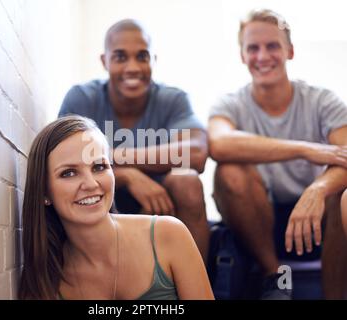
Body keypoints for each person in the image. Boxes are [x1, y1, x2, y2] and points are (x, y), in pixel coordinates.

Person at [208, 9, 347, 299]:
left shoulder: (322, 100)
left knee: (339, 192)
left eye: (272, 46)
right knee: (229, 171)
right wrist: (306, 149)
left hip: (320, 217)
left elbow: (344, 154)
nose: (262, 56)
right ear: (242, 56)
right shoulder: (230, 104)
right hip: (258, 220)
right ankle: (275, 279)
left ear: (290, 51)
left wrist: (318, 189)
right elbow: (218, 144)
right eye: (253, 48)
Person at [58, 19, 210, 262]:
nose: (133, 67)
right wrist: (127, 175)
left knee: (187, 180)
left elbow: (197, 152)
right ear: (104, 61)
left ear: (153, 60)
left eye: (142, 56)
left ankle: (197, 286)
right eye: (120, 57)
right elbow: (64, 161)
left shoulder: (174, 99)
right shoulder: (82, 98)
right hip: (98, 194)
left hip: (163, 200)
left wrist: (113, 157)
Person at [18, 115, 214, 300]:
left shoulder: (169, 234)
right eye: (69, 173)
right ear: (44, 192)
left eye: (99, 167)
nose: (91, 184)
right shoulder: (44, 280)